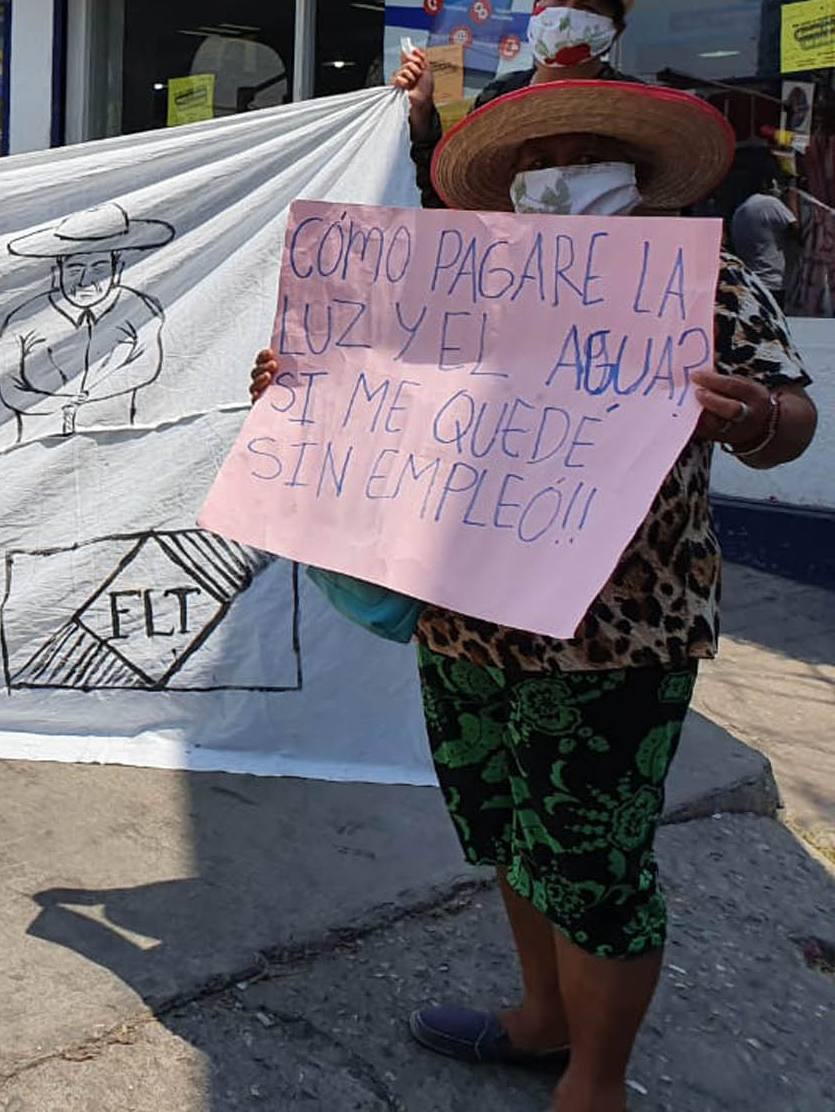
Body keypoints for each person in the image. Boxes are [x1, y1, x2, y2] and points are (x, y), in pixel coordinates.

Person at [249, 80, 817, 1112]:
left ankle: (593, 1084)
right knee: (509, 830)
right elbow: (382, 398)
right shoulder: (454, 292)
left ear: (636, 172)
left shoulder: (703, 282)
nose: (556, 164)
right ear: (507, 182)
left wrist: (747, 419)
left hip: (616, 637)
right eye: (535, 153)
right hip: (464, 617)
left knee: (594, 864)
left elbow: (790, 420)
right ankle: (539, 1019)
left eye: (584, 146)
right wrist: (301, 389)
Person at [394, 0, 643, 207]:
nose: (565, 15)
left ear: (615, 31)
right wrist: (421, 112)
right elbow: (451, 200)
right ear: (537, 7)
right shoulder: (499, 96)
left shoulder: (635, 106)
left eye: (586, 8)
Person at [0, 203, 173, 440]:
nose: (84, 281)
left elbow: (146, 365)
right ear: (57, 272)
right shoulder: (24, 320)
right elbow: (8, 387)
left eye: (99, 269)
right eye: (74, 269)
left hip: (114, 442)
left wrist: (91, 397)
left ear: (118, 269)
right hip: (37, 445)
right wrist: (58, 405)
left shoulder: (139, 307)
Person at [729, 150, 801, 301]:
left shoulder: (741, 210)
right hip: (773, 282)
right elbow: (797, 231)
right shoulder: (770, 204)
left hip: (753, 281)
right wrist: (792, 198)